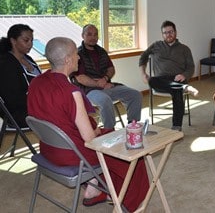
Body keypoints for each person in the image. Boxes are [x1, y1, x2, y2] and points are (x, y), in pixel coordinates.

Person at [27, 37, 149, 210]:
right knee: (132, 152)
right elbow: (90, 138)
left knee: (107, 132)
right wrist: (98, 131)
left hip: (48, 148)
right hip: (73, 154)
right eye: (76, 54)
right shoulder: (71, 92)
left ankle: (93, 189)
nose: (79, 58)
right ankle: (128, 202)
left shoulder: (36, 82)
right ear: (68, 59)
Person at [71, 24, 142, 128]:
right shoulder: (78, 54)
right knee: (105, 101)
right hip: (88, 91)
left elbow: (111, 69)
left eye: (95, 35)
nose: (93, 37)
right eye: (89, 34)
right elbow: (80, 78)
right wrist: (99, 84)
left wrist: (105, 79)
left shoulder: (101, 51)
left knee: (135, 94)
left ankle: (133, 126)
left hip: (107, 85)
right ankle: (109, 131)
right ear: (83, 35)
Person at [139, 20, 197, 131]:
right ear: (162, 34)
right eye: (165, 33)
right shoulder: (156, 45)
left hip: (177, 78)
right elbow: (143, 57)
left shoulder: (184, 49)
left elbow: (191, 67)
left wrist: (184, 75)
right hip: (161, 80)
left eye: (170, 32)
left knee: (176, 90)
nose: (168, 35)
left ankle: (176, 126)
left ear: (175, 32)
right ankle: (184, 88)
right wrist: (142, 73)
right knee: (151, 80)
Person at [0, 24, 41, 128]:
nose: (30, 44)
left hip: (37, 105)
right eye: (26, 40)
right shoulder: (6, 64)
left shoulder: (28, 59)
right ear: (13, 41)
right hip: (21, 113)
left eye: (32, 41)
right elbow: (13, 99)